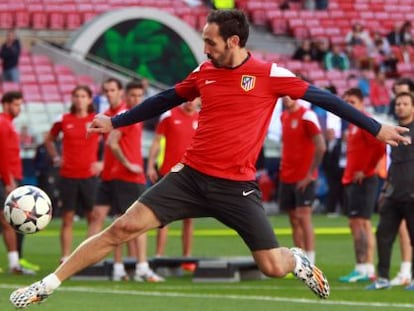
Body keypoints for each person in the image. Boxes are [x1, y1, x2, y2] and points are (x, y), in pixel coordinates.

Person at [10, 9, 410, 308]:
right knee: (122, 228)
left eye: (211, 41)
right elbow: (165, 98)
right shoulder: (204, 72)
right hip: (189, 177)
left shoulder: (270, 74)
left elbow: (325, 98)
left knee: (272, 266)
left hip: (236, 187)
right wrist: (115, 121)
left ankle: (296, 260)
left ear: (233, 42)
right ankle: (47, 285)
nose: (206, 47)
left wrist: (375, 127)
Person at [87, 79, 163, 282]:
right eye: (107, 90)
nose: (136, 99)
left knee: (117, 221)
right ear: (125, 95)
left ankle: (123, 267)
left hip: (119, 175)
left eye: (139, 95)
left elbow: (111, 142)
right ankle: (138, 267)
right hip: (124, 176)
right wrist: (128, 164)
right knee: (133, 222)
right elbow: (112, 143)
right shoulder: (125, 115)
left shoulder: (122, 115)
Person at [45, 85, 102, 263]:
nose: (79, 99)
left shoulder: (97, 120)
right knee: (67, 218)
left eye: (83, 96)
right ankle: (65, 257)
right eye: (76, 96)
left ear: (89, 99)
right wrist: (56, 157)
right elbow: (48, 140)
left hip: (89, 176)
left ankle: (86, 255)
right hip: (68, 175)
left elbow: (112, 140)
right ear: (72, 98)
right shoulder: (63, 120)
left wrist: (103, 162)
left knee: (93, 216)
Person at [366, 92, 414, 290]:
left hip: (412, 193)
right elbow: (393, 163)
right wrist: (385, 190)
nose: (400, 107)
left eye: (405, 104)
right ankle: (383, 278)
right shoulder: (393, 131)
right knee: (383, 235)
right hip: (394, 193)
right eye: (398, 104)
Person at [147, 98, 200, 271]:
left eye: (195, 98)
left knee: (189, 218)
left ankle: (187, 258)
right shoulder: (168, 116)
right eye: (189, 98)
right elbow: (156, 141)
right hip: (168, 173)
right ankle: (159, 256)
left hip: (191, 174)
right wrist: (150, 165)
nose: (191, 102)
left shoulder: (202, 118)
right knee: (163, 218)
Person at [339, 88, 386, 283]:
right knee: (356, 223)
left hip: (364, 180)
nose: (349, 106)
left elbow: (380, 147)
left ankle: (365, 267)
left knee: (362, 223)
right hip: (352, 179)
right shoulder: (352, 126)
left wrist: (366, 170)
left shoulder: (365, 122)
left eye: (353, 102)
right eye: (347, 102)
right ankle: (363, 267)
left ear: (361, 103)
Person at [279, 96, 326, 265]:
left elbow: (321, 146)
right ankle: (300, 261)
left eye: (289, 95)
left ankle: (311, 262)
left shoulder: (307, 116)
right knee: (293, 219)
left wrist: (310, 174)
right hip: (287, 175)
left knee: (304, 217)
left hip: (304, 177)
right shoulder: (283, 116)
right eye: (283, 95)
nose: (286, 98)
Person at [0, 91, 36, 275]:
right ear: (6, 104)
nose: (19, 108)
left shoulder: (8, 124)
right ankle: (14, 264)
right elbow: (3, 155)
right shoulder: (3, 124)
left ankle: (15, 262)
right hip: (6, 179)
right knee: (9, 221)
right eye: (16, 104)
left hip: (11, 178)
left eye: (20, 104)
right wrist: (9, 180)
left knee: (11, 221)